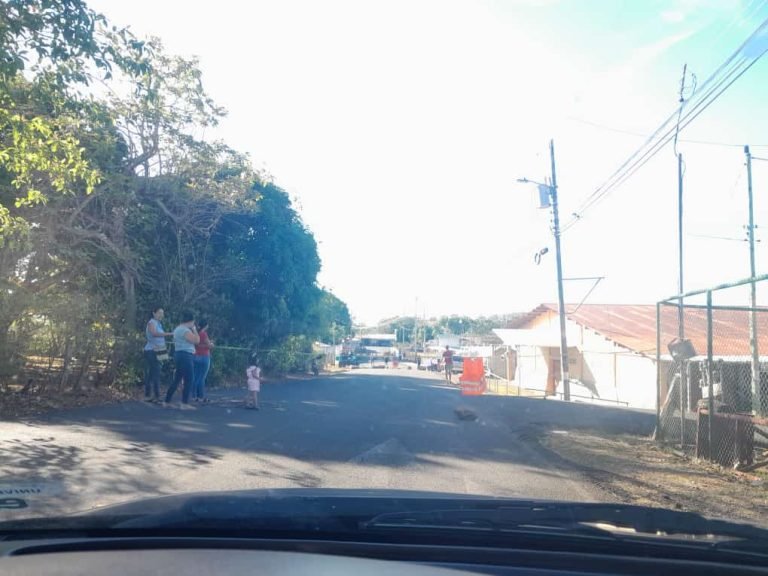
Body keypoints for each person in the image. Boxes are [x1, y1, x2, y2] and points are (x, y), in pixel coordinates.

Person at [164, 310, 199, 409]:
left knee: (177, 379)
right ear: (190, 321)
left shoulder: (177, 329)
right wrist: (194, 329)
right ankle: (184, 403)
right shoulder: (185, 330)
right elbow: (197, 340)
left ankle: (167, 400)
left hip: (179, 354)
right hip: (186, 355)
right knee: (189, 379)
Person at [143, 307, 173, 403]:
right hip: (152, 350)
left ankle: (149, 395)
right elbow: (154, 333)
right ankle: (156, 396)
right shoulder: (152, 322)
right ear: (154, 313)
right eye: (159, 313)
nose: (161, 315)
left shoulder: (159, 324)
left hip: (159, 350)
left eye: (162, 313)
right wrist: (169, 334)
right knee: (155, 373)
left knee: (152, 373)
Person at [193, 318, 214, 403]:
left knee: (196, 376)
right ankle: (200, 396)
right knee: (202, 377)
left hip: (196, 356)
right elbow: (209, 346)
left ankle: (195, 395)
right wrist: (212, 344)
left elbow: (197, 344)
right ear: (206, 325)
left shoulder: (197, 333)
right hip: (204, 356)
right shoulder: (203, 334)